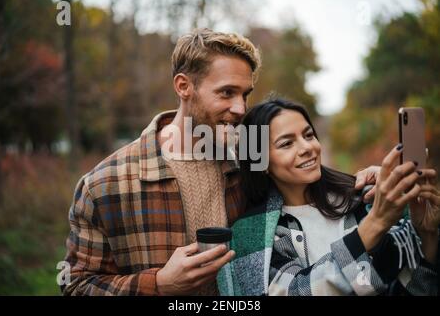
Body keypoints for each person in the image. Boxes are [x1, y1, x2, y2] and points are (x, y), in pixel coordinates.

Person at [59, 29, 380, 296]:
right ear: (184, 86)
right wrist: (158, 284)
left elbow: (309, 184)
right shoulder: (105, 184)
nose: (240, 108)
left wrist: (364, 183)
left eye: (245, 94)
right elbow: (75, 284)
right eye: (226, 93)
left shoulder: (251, 159)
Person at [217, 98, 439, 296]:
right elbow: (296, 292)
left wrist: (428, 235)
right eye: (286, 143)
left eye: (308, 135)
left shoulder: (366, 201)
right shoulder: (252, 235)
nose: (308, 148)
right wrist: (376, 224)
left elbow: (413, 285)